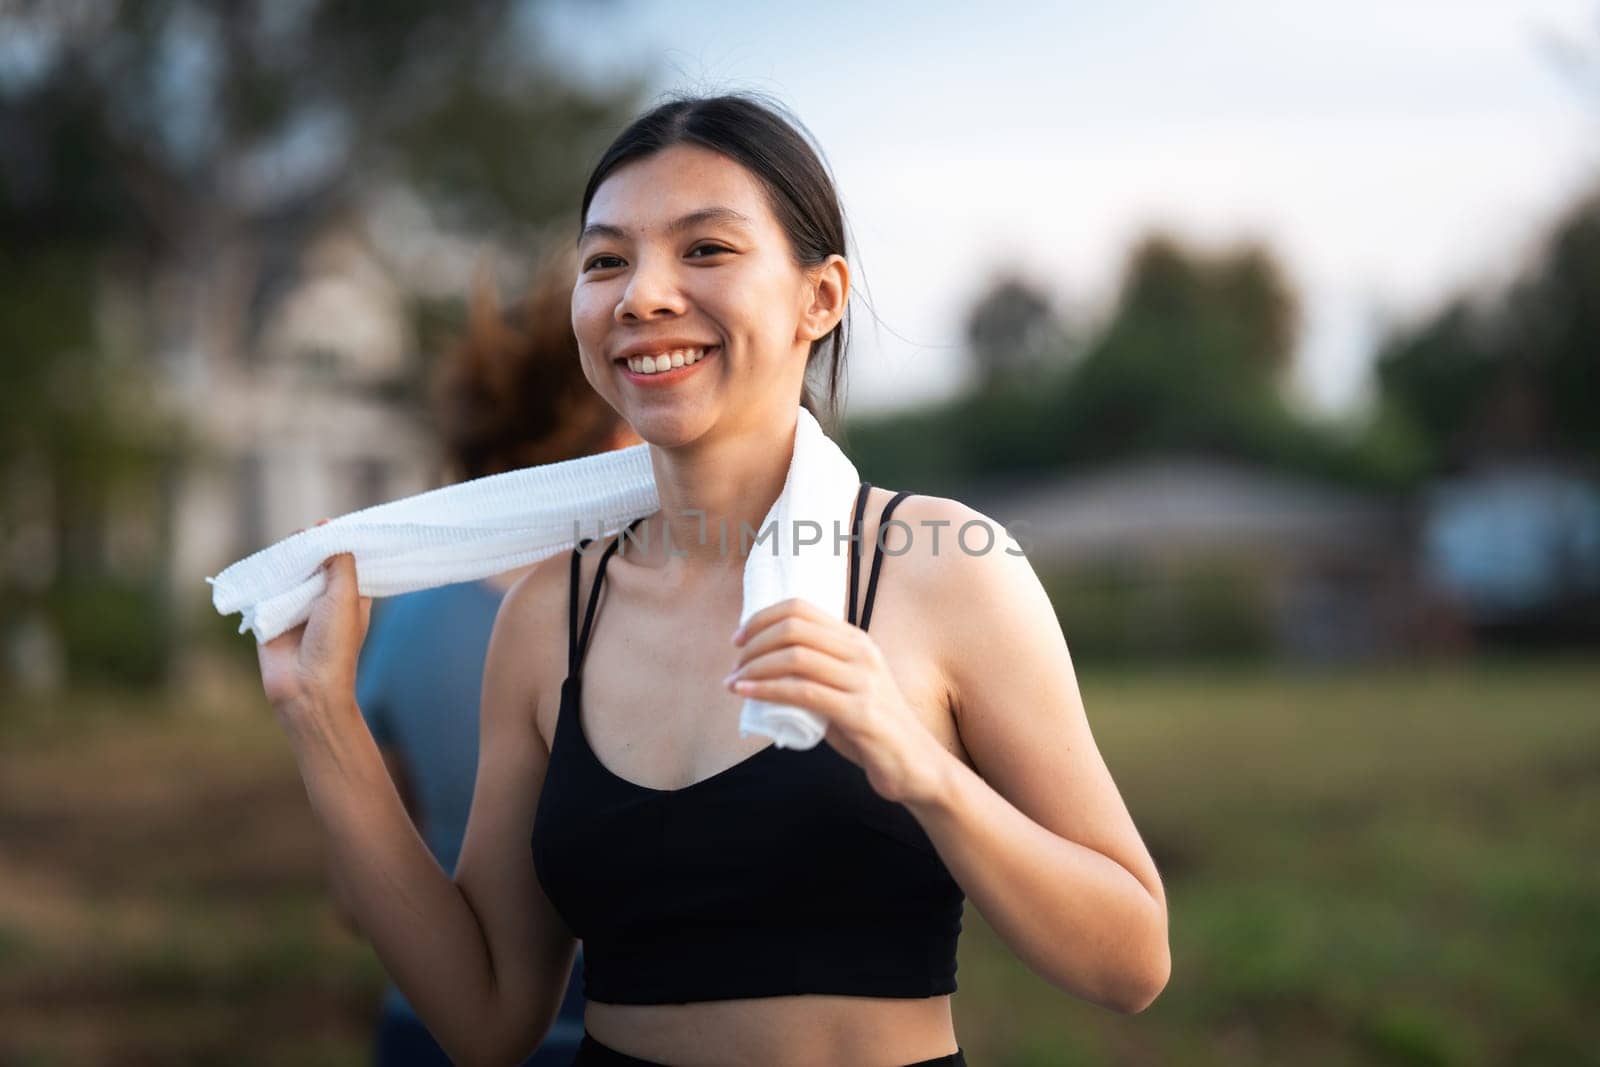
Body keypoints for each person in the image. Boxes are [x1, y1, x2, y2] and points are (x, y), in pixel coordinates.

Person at [258, 93, 1171, 1066]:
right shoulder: (545, 617)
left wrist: (924, 770)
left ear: (818, 297)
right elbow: (487, 1017)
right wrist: (323, 716)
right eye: (606, 259)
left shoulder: (942, 568)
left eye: (705, 249)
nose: (642, 293)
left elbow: (1131, 962)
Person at [329, 249, 640, 1065]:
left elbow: (352, 896)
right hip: (607, 1024)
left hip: (421, 1023)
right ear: (617, 439)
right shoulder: (646, 616)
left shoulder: (401, 622)